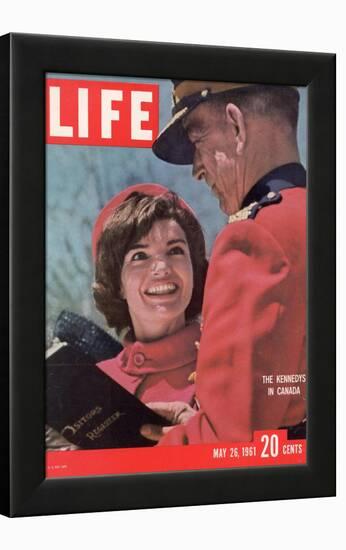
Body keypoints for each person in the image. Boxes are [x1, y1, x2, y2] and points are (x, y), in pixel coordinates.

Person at [141, 81, 307, 445]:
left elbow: (229, 446)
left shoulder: (256, 238)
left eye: (197, 141)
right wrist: (202, 417)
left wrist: (132, 454)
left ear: (236, 126)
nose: (196, 171)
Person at [92, 183, 208, 414]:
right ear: (118, 284)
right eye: (140, 256)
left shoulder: (227, 362)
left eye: (175, 250)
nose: (162, 268)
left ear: (193, 269)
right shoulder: (93, 383)